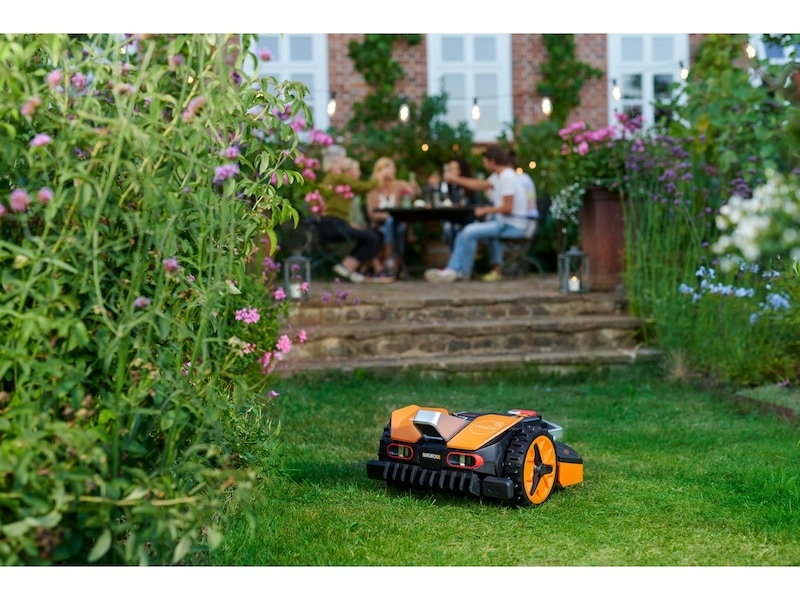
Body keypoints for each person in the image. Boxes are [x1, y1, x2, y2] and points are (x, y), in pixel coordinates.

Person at [424, 146, 529, 283]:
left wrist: (486, 210)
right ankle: (457, 271)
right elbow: (479, 185)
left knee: (469, 231)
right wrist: (456, 179)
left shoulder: (507, 177)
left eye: (485, 161)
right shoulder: (498, 176)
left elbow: (507, 208)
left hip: (512, 225)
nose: (484, 165)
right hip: (504, 223)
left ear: (492, 161)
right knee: (465, 233)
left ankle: (459, 271)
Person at [318, 156, 394, 283]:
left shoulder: (335, 179)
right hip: (332, 225)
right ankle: (347, 267)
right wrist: (379, 177)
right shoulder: (337, 177)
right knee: (372, 237)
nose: (343, 160)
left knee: (371, 236)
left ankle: (348, 268)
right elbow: (363, 187)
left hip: (336, 223)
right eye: (341, 158)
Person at [365, 157, 421, 276]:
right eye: (391, 168)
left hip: (397, 224)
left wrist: (415, 188)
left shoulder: (398, 185)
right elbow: (372, 214)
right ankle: (391, 261)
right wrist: (388, 216)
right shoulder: (372, 189)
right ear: (382, 170)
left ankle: (393, 263)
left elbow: (415, 194)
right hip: (379, 226)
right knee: (391, 222)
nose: (394, 171)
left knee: (400, 228)